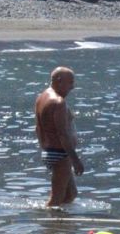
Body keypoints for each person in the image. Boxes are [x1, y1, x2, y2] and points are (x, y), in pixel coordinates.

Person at [34, 66, 84, 207]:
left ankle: (61, 226)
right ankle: (47, 225)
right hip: (60, 153)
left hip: (51, 151)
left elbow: (37, 128)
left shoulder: (41, 97)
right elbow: (62, 133)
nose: (73, 87)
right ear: (59, 80)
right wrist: (75, 160)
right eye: (71, 82)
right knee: (56, 198)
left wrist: (44, 148)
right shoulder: (58, 102)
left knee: (70, 194)